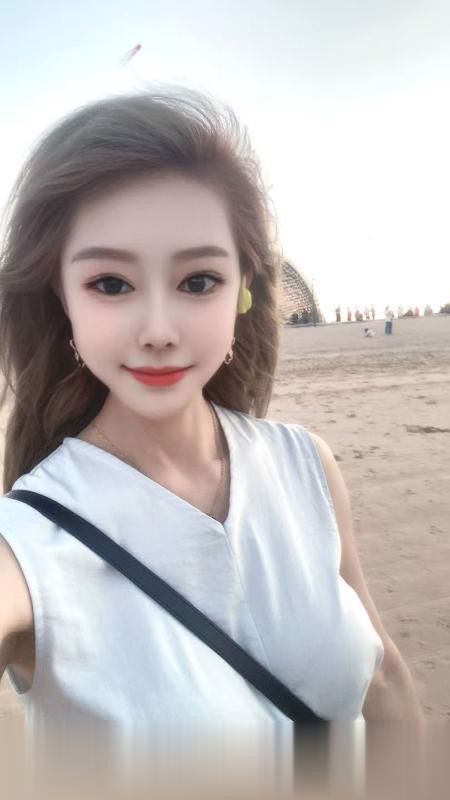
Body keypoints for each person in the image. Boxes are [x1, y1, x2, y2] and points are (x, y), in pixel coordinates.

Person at [0, 87, 423, 785]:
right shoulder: (27, 544)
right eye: (111, 284)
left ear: (243, 289)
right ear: (61, 300)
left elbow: (383, 681)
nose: (158, 330)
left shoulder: (305, 464)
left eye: (198, 281)